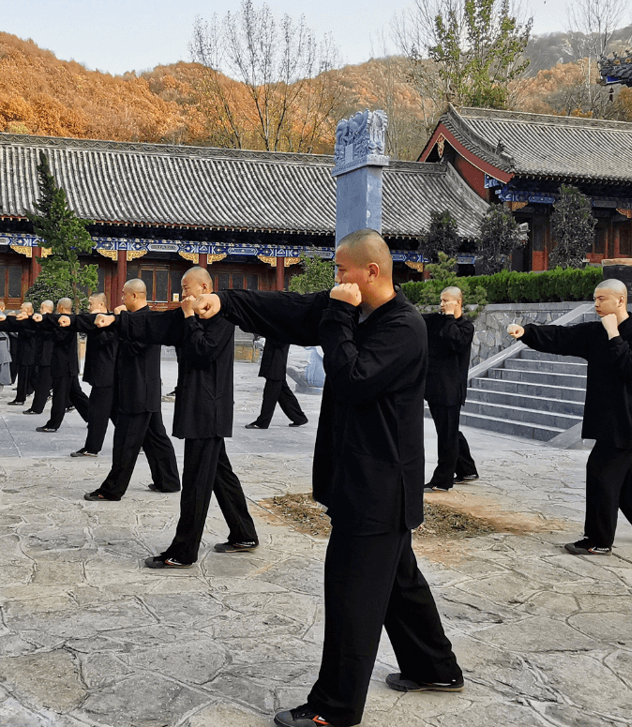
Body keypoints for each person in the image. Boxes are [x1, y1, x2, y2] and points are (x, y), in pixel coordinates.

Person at [196, 229, 462, 727]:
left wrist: (338, 314)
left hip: (379, 487)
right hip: (358, 477)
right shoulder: (351, 309)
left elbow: (353, 378)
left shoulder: (403, 327)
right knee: (399, 582)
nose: (336, 279)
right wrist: (225, 301)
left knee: (351, 596)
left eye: (342, 270)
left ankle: (334, 709)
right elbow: (292, 310)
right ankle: (435, 667)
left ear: (372, 272)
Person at [94, 268, 258, 568]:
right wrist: (118, 320)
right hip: (199, 406)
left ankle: (183, 552)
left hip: (208, 410)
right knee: (220, 473)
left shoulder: (221, 317)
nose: (183, 295)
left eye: (187, 288)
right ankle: (244, 533)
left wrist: (188, 318)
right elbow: (156, 324)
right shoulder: (190, 314)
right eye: (182, 289)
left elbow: (202, 352)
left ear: (205, 286)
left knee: (196, 481)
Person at [509, 279, 632, 555]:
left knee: (600, 472)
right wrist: (526, 332)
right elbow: (561, 337)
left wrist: (614, 335)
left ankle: (599, 541)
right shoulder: (594, 332)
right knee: (623, 483)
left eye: (602, 299)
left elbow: (631, 369)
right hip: (606, 421)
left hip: (628, 422)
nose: (596, 304)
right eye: (595, 299)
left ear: (620, 301)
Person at [84, 278, 180, 496]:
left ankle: (111, 490)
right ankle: (169, 481)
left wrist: (120, 321)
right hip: (143, 389)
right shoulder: (134, 319)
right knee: (156, 438)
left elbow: (134, 347)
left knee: (125, 442)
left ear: (134, 296)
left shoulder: (148, 320)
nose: (121, 298)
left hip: (139, 390)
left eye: (124, 295)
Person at [424, 286, 478, 491]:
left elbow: (454, 340)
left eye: (446, 300)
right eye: (441, 300)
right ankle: (467, 470)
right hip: (435, 388)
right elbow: (417, 318)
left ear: (458, 302)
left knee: (447, 436)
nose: (442, 304)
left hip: (450, 390)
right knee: (450, 432)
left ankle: (442, 481)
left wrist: (448, 317)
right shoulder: (438, 321)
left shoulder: (465, 328)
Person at [65, 292, 117, 457]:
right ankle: (141, 442)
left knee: (97, 413)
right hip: (102, 374)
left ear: (101, 305)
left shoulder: (111, 321)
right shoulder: (95, 320)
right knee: (116, 412)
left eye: (90, 304)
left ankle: (92, 448)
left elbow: (105, 340)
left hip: (106, 374)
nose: (88, 307)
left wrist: (98, 325)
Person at [36, 297, 91, 433]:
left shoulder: (66, 321)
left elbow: (60, 338)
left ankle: (53, 424)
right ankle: (93, 417)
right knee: (76, 394)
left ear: (60, 307)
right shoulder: (70, 319)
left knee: (60, 395)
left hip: (64, 364)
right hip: (69, 364)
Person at [245, 338, 308, 429]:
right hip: (274, 360)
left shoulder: (282, 326)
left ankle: (263, 421)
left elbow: (280, 341)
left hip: (276, 362)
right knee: (283, 393)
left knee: (270, 393)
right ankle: (299, 417)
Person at [23, 299, 56, 414]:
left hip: (47, 356)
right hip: (41, 356)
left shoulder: (52, 322)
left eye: (42, 308)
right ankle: (69, 403)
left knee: (43, 383)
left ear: (49, 309)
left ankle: (37, 408)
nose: (40, 310)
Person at [7, 301, 36, 405]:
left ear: (28, 310)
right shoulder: (25, 320)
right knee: (28, 376)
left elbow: (31, 334)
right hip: (23, 351)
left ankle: (20, 399)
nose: (20, 310)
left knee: (26, 376)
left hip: (28, 352)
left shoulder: (33, 320)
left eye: (22, 308)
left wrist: (22, 324)